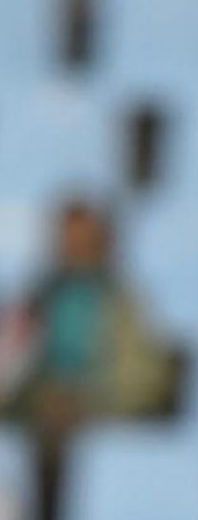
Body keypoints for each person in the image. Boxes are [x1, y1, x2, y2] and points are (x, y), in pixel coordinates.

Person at [3, 200, 173, 520]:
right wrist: (37, 399)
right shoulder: (37, 296)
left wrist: (87, 402)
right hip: (36, 416)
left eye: (85, 239)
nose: (75, 249)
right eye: (68, 239)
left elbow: (144, 381)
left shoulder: (124, 304)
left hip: (97, 415)